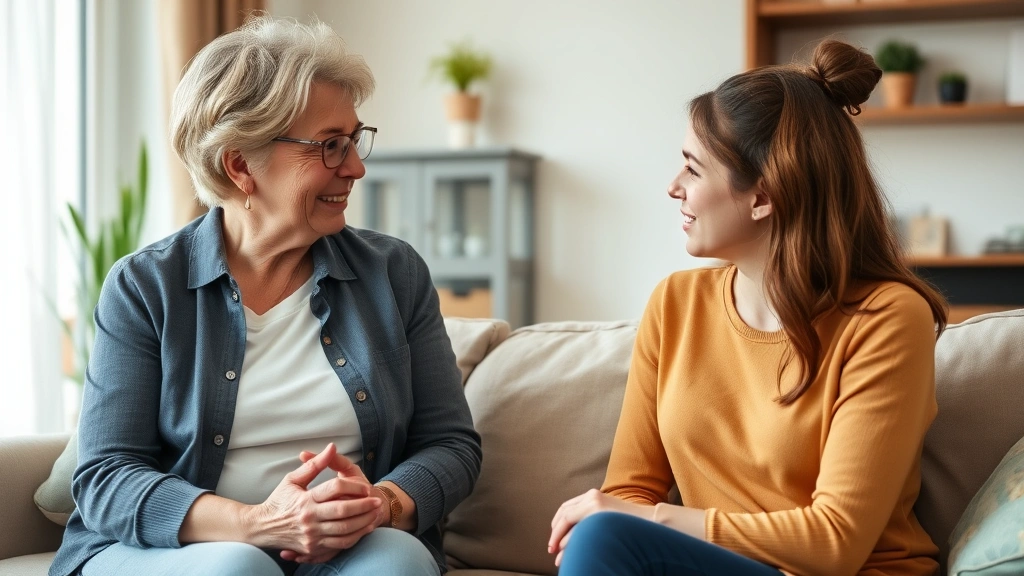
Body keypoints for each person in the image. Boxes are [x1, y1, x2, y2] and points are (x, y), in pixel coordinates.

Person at [49, 16, 481, 576]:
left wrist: (385, 504)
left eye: (354, 140)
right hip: (178, 550)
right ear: (239, 165)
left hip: (349, 548)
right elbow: (107, 477)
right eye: (329, 145)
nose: (354, 167)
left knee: (397, 563)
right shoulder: (144, 287)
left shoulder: (394, 273)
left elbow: (451, 444)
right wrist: (261, 524)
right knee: (238, 570)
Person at [548, 39, 947, 576]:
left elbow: (837, 541)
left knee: (604, 536)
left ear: (763, 196)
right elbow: (629, 488)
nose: (673, 187)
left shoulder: (888, 318)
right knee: (598, 536)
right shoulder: (675, 304)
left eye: (693, 169)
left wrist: (659, 522)